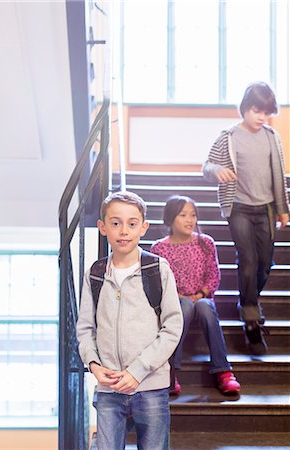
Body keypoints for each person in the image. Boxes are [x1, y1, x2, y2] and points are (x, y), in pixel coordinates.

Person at [77, 191, 183, 450]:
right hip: (108, 387)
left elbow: (172, 327)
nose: (123, 230)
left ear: (143, 228)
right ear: (102, 227)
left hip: (151, 386)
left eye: (132, 223)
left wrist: (138, 372)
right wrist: (93, 364)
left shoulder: (158, 269)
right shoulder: (96, 273)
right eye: (115, 223)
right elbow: (85, 327)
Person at [202, 81, 289, 356]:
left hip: (265, 208)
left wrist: (282, 208)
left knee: (264, 263)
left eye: (266, 112)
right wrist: (217, 171)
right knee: (248, 260)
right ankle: (251, 320)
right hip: (238, 207)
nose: (261, 117)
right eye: (256, 110)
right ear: (244, 108)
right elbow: (207, 166)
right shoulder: (228, 136)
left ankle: (246, 301)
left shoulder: (272, 137)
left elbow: (279, 174)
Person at [151, 195, 241, 396]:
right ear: (170, 218)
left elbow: (213, 275)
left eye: (193, 215)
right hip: (175, 302)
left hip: (202, 298)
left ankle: (223, 371)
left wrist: (200, 294)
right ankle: (169, 371)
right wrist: (180, 296)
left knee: (204, 307)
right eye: (183, 215)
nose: (190, 220)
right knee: (184, 306)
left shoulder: (205, 242)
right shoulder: (159, 248)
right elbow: (159, 283)